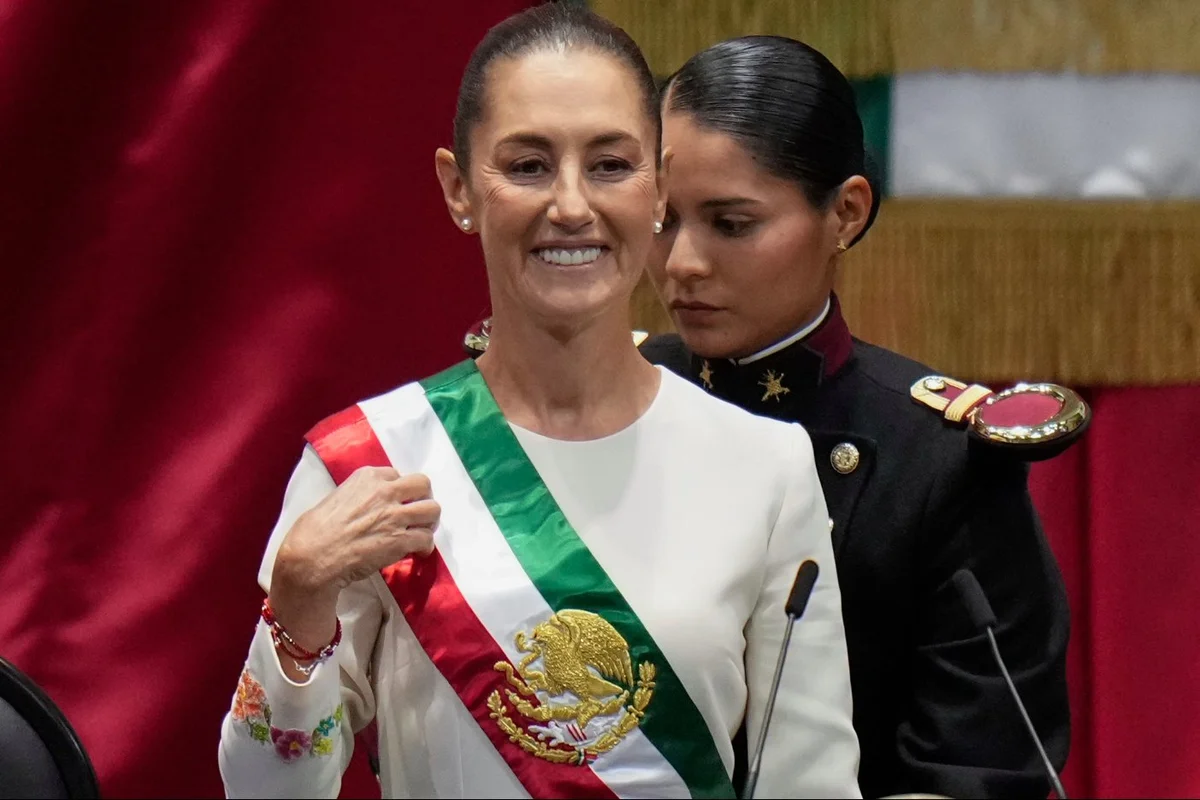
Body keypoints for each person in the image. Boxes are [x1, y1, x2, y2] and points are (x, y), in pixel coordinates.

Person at [218, 8, 861, 799]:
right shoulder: (368, 463)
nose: (570, 206)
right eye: (527, 166)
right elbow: (264, 791)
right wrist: (298, 604)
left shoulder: (767, 468)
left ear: (659, 185)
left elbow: (811, 782)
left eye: (610, 165)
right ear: (459, 189)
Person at [637, 35, 1079, 800]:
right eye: (664, 220)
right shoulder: (613, 403)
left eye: (731, 224)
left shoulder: (941, 460)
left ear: (846, 213)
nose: (682, 263)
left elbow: (982, 765)